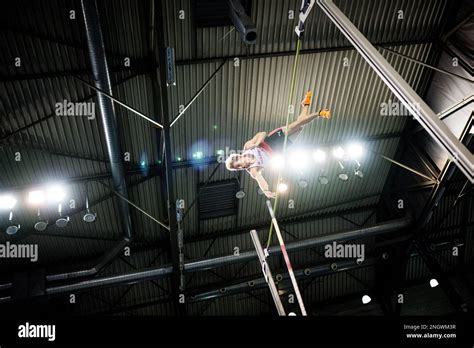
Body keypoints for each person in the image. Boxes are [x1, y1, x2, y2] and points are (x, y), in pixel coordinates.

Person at [225, 91, 331, 199]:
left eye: (238, 163)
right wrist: (266, 191)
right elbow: (261, 180)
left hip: (272, 139)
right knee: (300, 126)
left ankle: (319, 113)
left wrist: (256, 143)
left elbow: (263, 133)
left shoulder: (247, 147)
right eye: (239, 168)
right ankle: (305, 105)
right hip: (279, 149)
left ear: (238, 157)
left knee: (297, 124)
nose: (241, 166)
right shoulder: (253, 170)